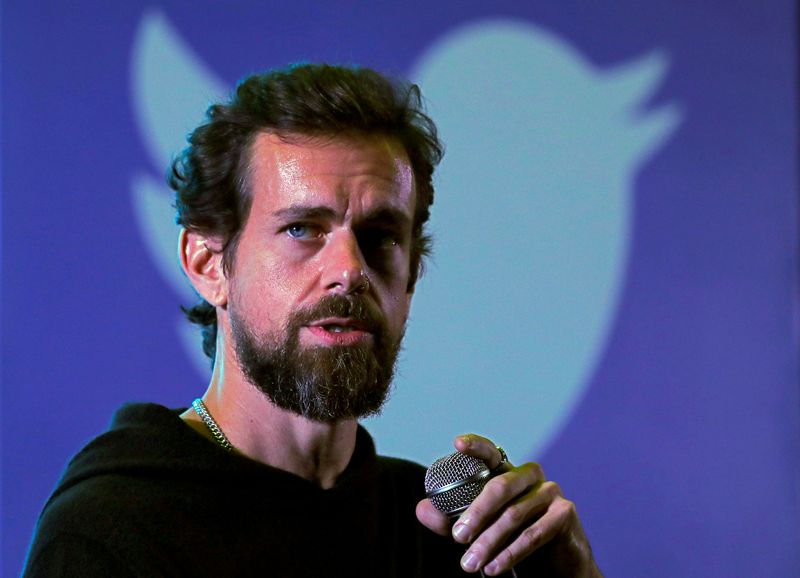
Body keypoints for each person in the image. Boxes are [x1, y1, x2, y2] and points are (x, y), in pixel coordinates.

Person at [24, 63, 602, 577]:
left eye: (379, 237)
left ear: (411, 277)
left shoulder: (448, 535)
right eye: (302, 229)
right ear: (208, 264)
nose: (349, 270)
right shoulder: (112, 531)